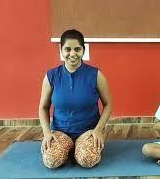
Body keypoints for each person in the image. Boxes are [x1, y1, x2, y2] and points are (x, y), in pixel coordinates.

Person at [38, 29, 112, 168]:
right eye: (67, 49)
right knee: (51, 161)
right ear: (61, 50)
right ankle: (70, 147)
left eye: (77, 49)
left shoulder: (96, 75)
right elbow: (43, 107)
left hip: (89, 131)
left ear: (83, 50)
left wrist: (98, 130)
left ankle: (78, 148)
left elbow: (108, 105)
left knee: (87, 160)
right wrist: (47, 133)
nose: (72, 54)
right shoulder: (51, 76)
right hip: (60, 131)